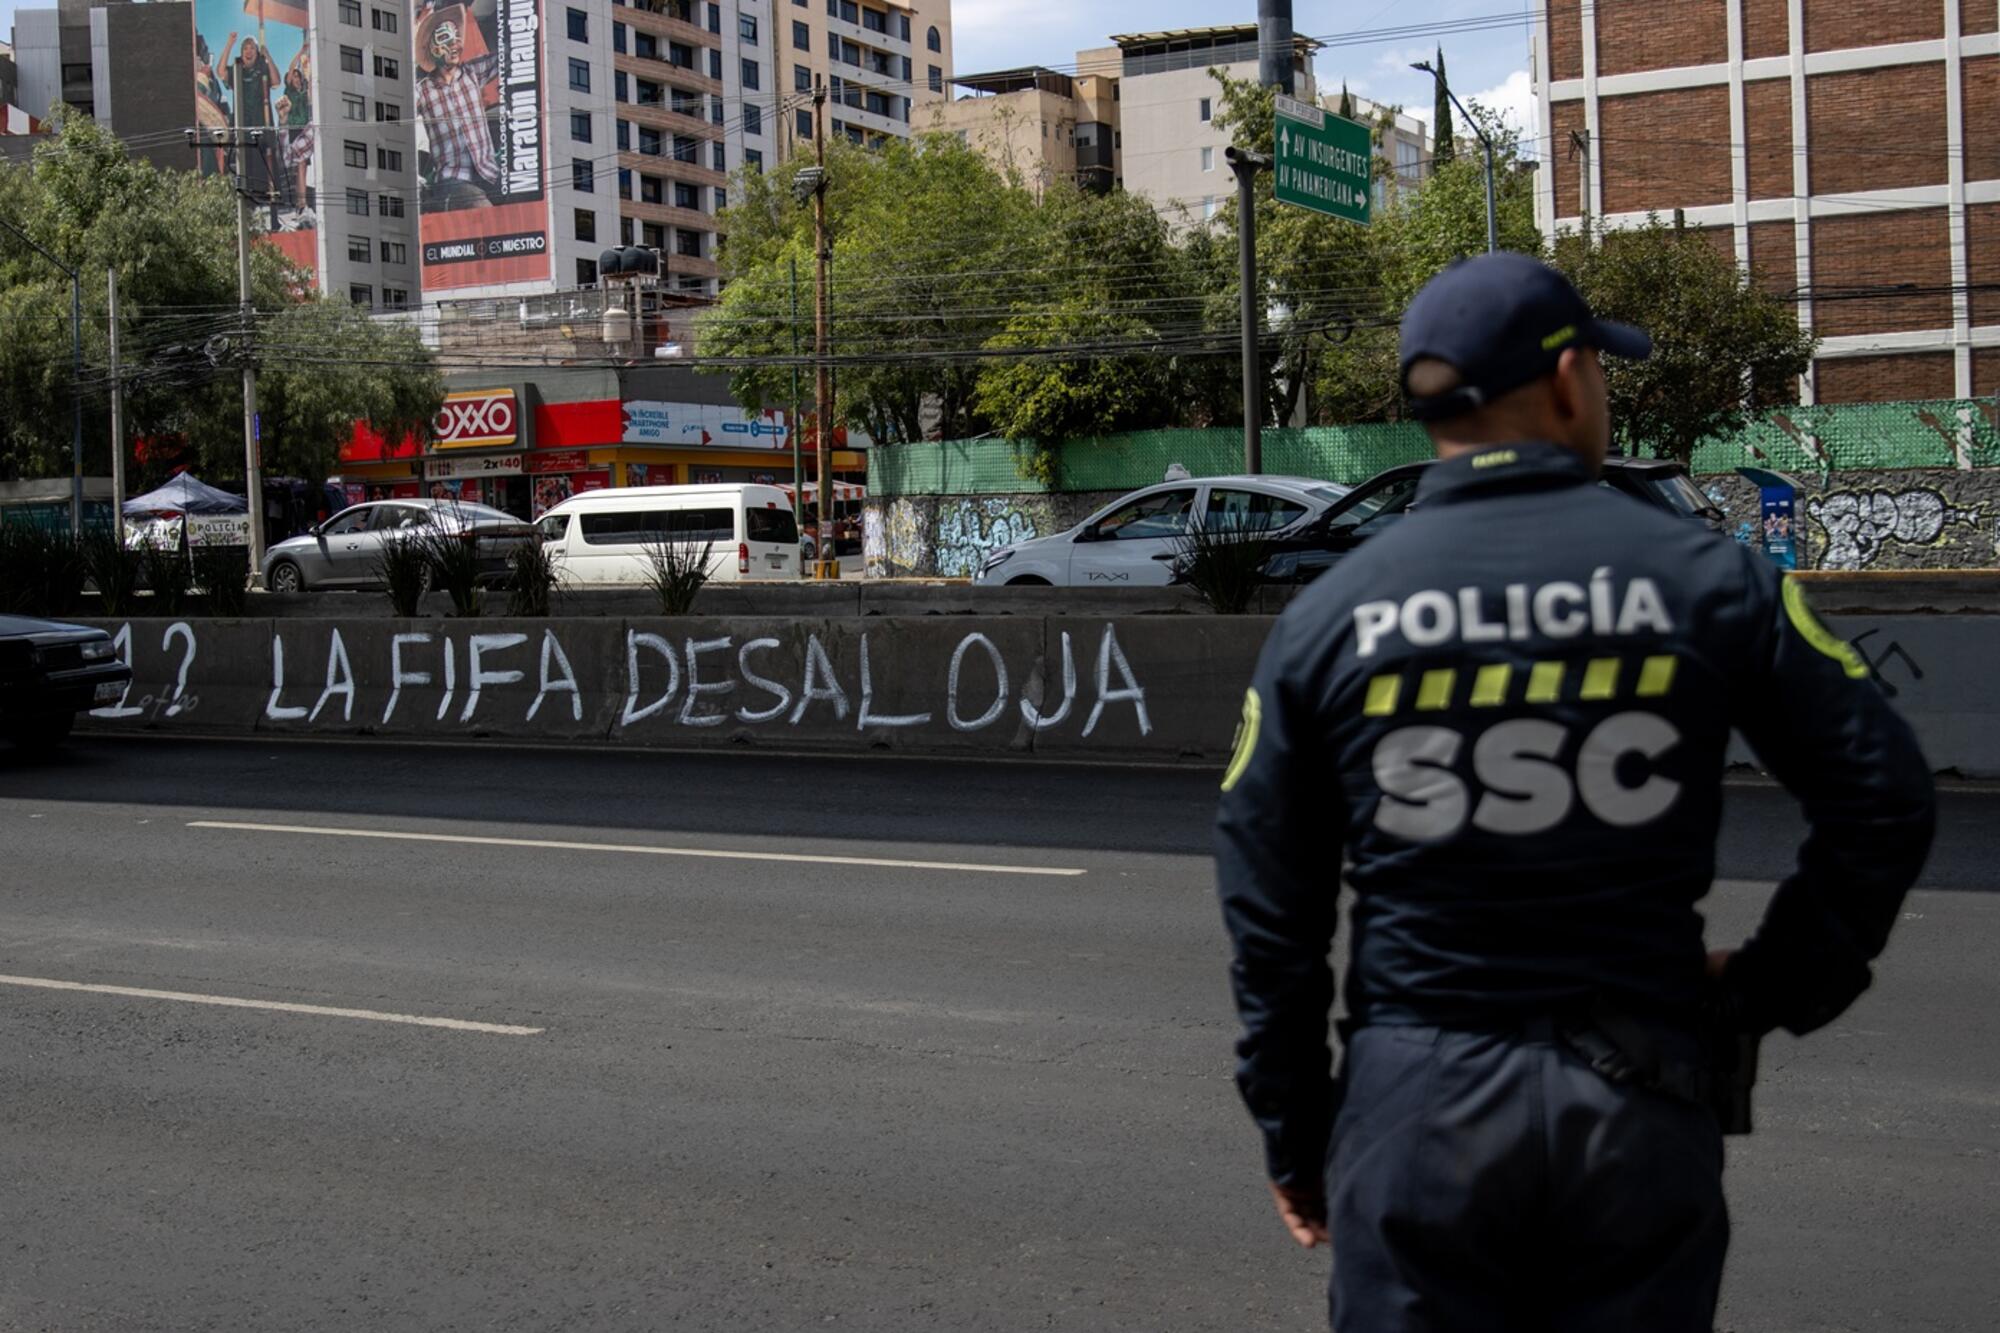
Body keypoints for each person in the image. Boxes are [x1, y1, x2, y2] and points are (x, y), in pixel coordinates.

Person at [1214, 251, 1935, 1332]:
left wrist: (1296, 1131)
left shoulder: (1327, 618)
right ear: (1565, 380)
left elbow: (1268, 908)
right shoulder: (1711, 579)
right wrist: (1766, 988)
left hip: (1417, 1110)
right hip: (1635, 1108)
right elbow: (1885, 795)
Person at [414, 4, 501, 211]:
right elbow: (399, 110)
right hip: (453, 179)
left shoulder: (471, 72)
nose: (453, 44)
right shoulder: (423, 91)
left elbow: (506, 55)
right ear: (433, 49)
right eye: (445, 39)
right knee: (482, 208)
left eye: (455, 38)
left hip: (489, 172)